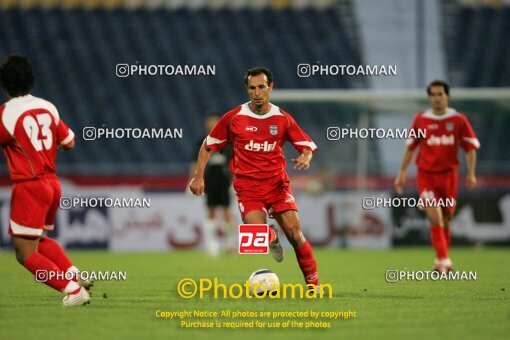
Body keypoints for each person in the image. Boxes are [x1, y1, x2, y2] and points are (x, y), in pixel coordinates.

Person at [189, 66, 320, 287]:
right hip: (248, 188)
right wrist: (198, 176)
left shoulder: (282, 118)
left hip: (277, 185)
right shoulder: (235, 118)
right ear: (247, 90)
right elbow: (207, 145)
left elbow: (306, 146)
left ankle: (313, 285)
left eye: (261, 87)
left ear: (271, 87)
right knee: (256, 238)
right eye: (252, 88)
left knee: (296, 234)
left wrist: (306, 158)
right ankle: (271, 236)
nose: (257, 93)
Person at [0, 54, 91, 306]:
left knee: (23, 252)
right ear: (31, 80)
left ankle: (72, 290)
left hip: (29, 185)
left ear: (4, 84)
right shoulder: (47, 106)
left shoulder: (5, 114)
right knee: (36, 240)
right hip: (52, 183)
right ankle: (74, 275)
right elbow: (70, 142)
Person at [394, 80, 480, 273]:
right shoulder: (421, 119)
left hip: (449, 176)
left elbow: (470, 148)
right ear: (429, 98)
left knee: (447, 219)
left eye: (440, 94)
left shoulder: (458, 120)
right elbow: (411, 148)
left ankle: (440, 260)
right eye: (433, 95)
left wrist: (472, 173)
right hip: (426, 175)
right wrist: (401, 173)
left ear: (447, 96)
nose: (437, 98)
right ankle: (445, 259)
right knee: (434, 215)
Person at [189, 113, 234, 256]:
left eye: (214, 121)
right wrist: (191, 180)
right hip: (208, 180)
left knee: (227, 212)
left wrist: (235, 181)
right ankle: (212, 246)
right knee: (211, 211)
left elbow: (236, 162)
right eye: (209, 122)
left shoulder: (228, 142)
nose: (212, 124)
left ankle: (230, 244)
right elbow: (195, 164)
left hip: (225, 180)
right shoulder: (201, 143)